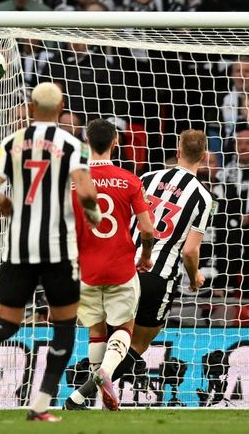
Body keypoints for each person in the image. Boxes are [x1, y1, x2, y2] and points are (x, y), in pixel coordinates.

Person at [0, 82, 100, 422]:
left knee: (6, 322)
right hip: (57, 250)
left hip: (17, 249)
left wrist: (7, 204)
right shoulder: (73, 145)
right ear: (61, 107)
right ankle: (40, 404)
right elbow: (88, 194)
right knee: (64, 327)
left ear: (31, 108)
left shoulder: (10, 143)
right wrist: (93, 214)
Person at [66, 129, 216, 409]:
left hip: (125, 268)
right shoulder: (203, 197)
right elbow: (190, 251)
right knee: (137, 345)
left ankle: (89, 382)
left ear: (178, 150)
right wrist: (195, 275)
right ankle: (86, 390)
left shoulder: (146, 178)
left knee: (110, 335)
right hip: (159, 277)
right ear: (204, 156)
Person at [66, 119, 155, 411]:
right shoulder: (129, 180)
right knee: (124, 326)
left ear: (86, 142)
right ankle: (106, 376)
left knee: (96, 329)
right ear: (116, 142)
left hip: (86, 268)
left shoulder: (73, 181)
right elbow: (147, 229)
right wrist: (145, 254)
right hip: (120, 266)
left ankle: (96, 402)